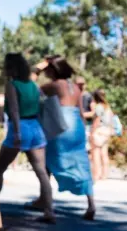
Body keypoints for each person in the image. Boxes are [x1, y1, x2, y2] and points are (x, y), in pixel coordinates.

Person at [0, 54, 55, 223]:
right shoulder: (33, 85)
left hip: (20, 127)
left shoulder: (12, 85)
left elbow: (14, 110)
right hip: (35, 127)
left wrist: (17, 132)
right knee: (41, 171)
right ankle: (49, 211)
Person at [40, 55, 96, 220]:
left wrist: (38, 68)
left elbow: (32, 90)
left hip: (60, 124)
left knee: (47, 162)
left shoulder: (54, 85)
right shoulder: (76, 87)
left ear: (53, 70)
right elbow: (81, 112)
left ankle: (48, 208)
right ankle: (91, 204)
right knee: (81, 163)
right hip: (77, 125)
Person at [90, 89, 115, 182]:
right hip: (107, 131)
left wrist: (92, 132)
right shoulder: (108, 107)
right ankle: (105, 174)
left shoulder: (99, 107)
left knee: (95, 153)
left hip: (99, 131)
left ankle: (96, 174)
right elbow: (111, 120)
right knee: (104, 154)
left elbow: (97, 120)